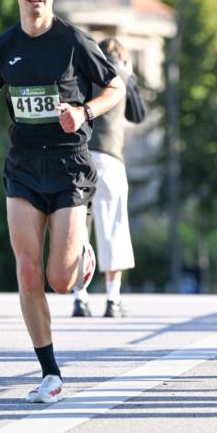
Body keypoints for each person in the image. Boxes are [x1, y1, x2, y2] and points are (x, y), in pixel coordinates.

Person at [0, 0, 125, 404]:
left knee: (62, 280)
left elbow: (114, 87)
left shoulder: (73, 41)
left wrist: (83, 112)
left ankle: (82, 256)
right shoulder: (3, 47)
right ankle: (50, 372)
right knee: (27, 269)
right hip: (22, 166)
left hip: (69, 166)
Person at [72, 37, 147, 318]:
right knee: (112, 229)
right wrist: (130, 76)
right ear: (123, 58)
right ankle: (113, 300)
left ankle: (80, 298)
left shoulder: (83, 75)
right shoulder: (122, 76)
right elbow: (138, 115)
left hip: (81, 159)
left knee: (79, 231)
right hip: (111, 161)